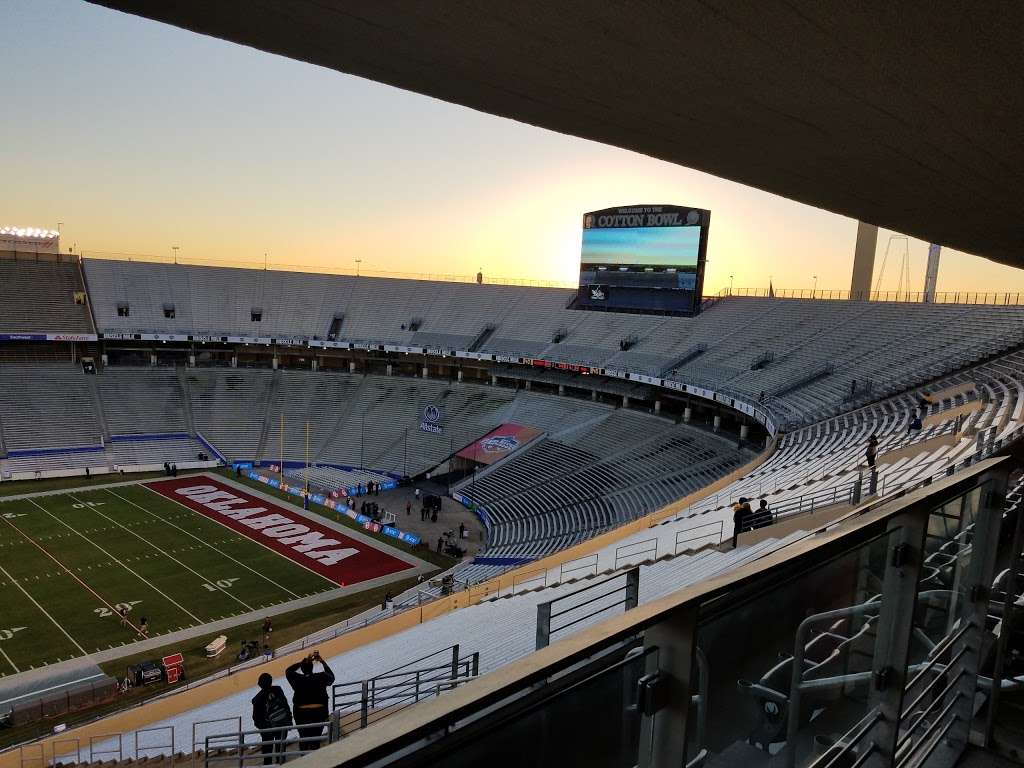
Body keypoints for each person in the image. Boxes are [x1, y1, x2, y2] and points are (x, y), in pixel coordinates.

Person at [285, 651, 335, 751]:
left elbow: (288, 671)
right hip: (319, 713)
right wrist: (322, 661)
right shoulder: (321, 676)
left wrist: (303, 662)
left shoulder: (297, 680)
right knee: (316, 740)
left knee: (303, 739)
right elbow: (331, 678)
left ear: (302, 669)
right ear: (312, 667)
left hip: (301, 715)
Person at [252, 672, 292, 765]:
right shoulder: (278, 690)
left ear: (259, 684)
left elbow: (256, 718)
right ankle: (280, 763)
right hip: (282, 723)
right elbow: (285, 705)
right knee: (280, 748)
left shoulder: (257, 699)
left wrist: (264, 728)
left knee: (267, 751)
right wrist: (289, 720)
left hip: (267, 729)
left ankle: (268, 765)